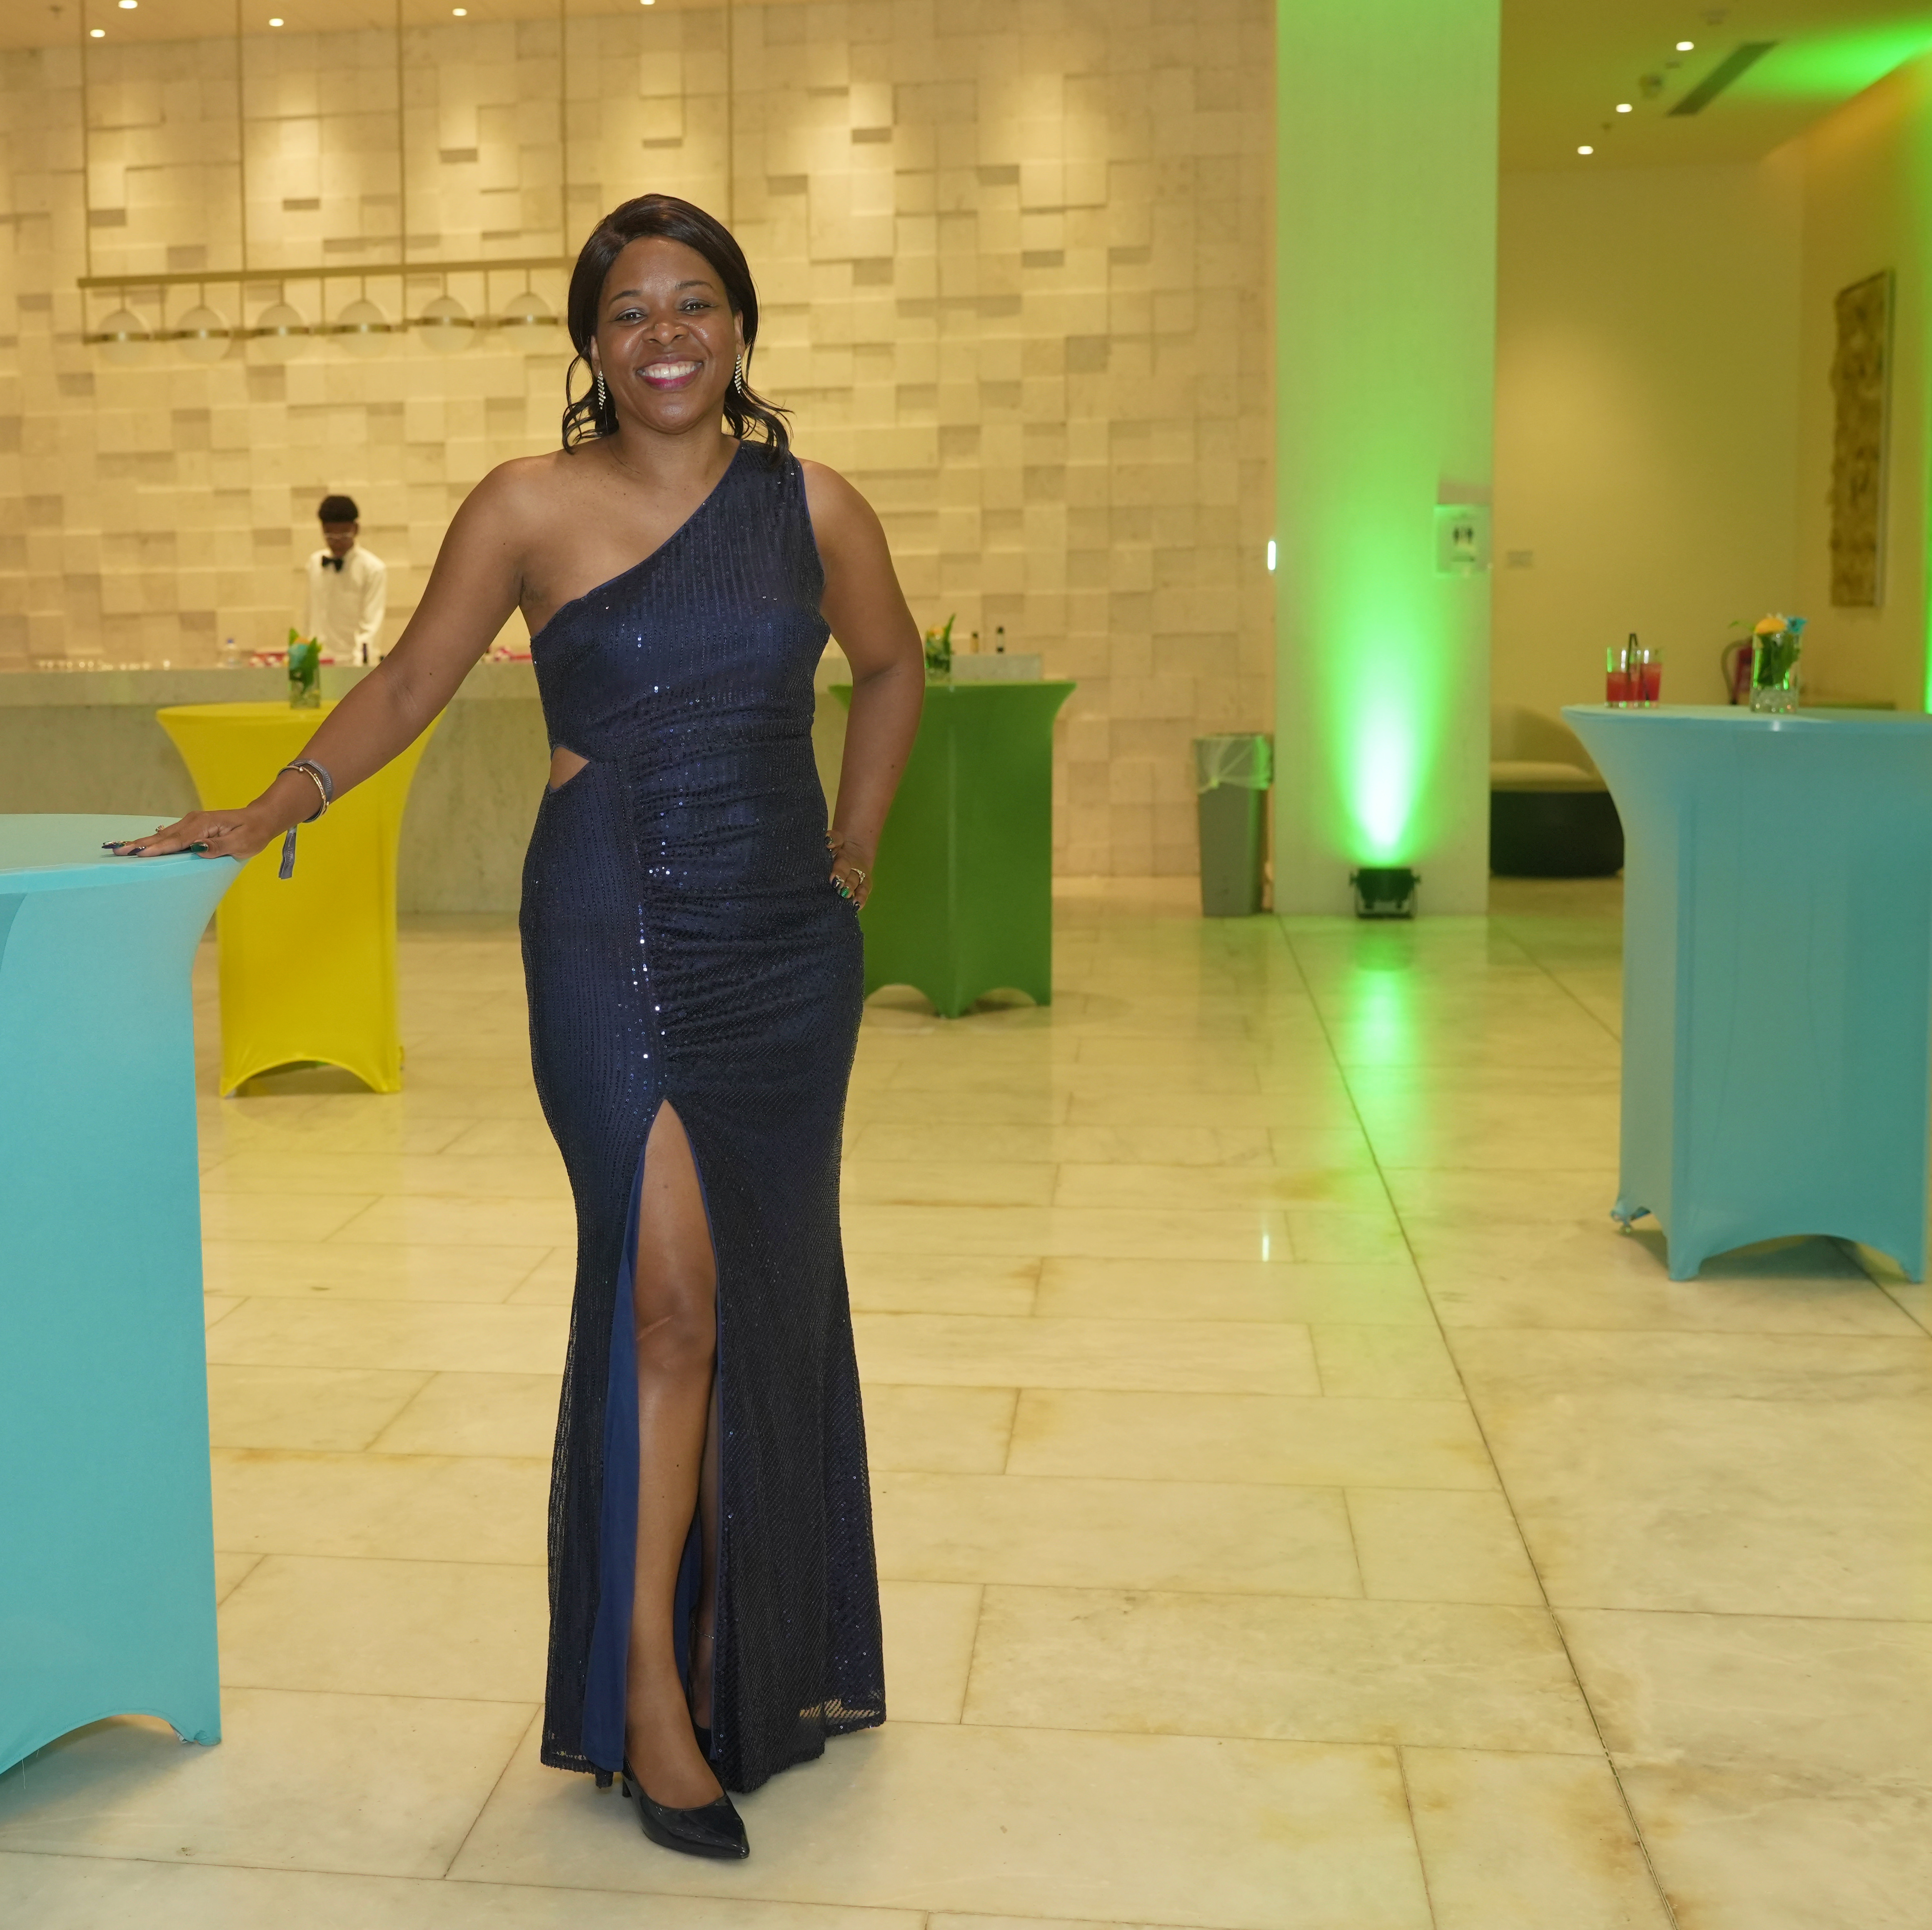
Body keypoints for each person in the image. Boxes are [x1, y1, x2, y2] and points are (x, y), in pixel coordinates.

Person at [110, 194, 925, 1860]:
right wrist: (269, 805)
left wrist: (852, 851)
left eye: (692, 302)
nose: (664, 334)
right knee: (669, 1301)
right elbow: (410, 683)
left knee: (763, 1299)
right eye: (628, 311)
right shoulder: (526, 505)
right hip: (613, 927)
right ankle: (646, 1690)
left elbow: (894, 666)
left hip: (780, 948)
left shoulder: (813, 507)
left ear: (740, 326)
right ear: (591, 346)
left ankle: (749, 1648)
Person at [305, 494, 387, 664]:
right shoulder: (314, 563)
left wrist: (360, 666)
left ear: (356, 529)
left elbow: (371, 625)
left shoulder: (373, 569)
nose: (337, 543)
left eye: (344, 535)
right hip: (319, 660)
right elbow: (311, 616)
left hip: (355, 662)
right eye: (330, 536)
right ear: (323, 530)